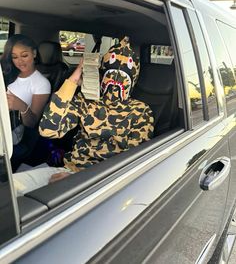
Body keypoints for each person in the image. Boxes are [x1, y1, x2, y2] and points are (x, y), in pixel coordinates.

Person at [12, 37, 154, 196]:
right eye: (110, 72)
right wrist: (72, 81)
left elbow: (132, 163)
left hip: (104, 183)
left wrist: (78, 180)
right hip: (68, 171)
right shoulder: (85, 100)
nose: (114, 80)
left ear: (132, 78)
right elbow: (47, 130)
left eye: (123, 74)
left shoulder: (140, 111)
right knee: (10, 188)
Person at [1, 34, 51, 172]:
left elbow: (32, 123)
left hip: (14, 135)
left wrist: (21, 106)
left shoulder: (41, 83)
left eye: (24, 55)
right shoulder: (8, 73)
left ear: (34, 53)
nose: (19, 61)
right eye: (14, 57)